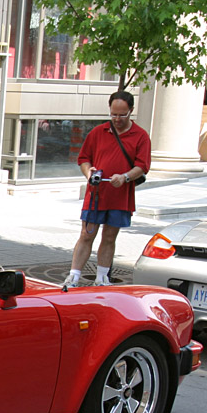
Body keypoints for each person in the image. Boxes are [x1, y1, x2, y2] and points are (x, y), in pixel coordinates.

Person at [63, 91, 151, 288]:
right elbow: (84, 159)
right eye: (113, 115)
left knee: (110, 236)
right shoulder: (98, 132)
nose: (117, 119)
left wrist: (126, 176)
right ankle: (74, 276)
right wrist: (88, 173)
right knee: (86, 234)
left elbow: (143, 165)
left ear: (131, 112)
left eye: (122, 115)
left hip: (120, 196)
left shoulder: (141, 136)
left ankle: (102, 277)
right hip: (96, 194)